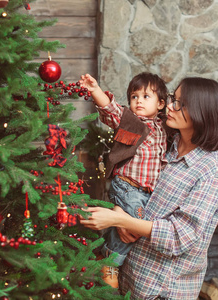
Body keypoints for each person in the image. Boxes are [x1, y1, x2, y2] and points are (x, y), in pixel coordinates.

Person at [80, 77, 218, 300]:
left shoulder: (211, 171)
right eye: (172, 99)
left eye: (178, 103)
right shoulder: (166, 143)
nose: (169, 106)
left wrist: (119, 220)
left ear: (200, 111)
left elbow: (179, 237)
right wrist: (119, 211)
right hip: (129, 281)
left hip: (162, 292)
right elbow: (132, 186)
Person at [78, 72, 169, 288]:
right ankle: (110, 262)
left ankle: (104, 252)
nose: (138, 101)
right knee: (134, 226)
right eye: (134, 96)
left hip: (147, 192)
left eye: (146, 97)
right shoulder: (130, 120)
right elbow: (111, 111)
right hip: (128, 186)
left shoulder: (166, 128)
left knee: (133, 225)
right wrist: (95, 90)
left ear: (161, 103)